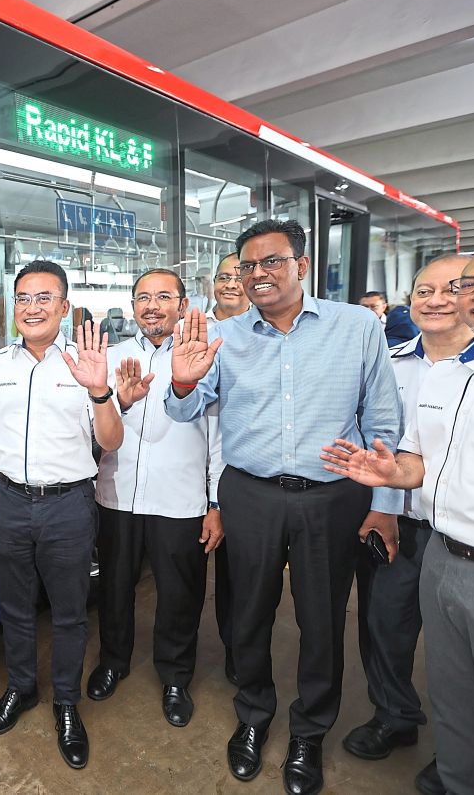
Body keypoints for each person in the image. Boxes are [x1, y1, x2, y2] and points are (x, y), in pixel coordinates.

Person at [166, 218, 401, 795]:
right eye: (248, 266)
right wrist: (182, 383)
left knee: (322, 620)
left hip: (332, 496)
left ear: (301, 265)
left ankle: (309, 732)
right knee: (248, 613)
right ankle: (253, 715)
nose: (258, 274)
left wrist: (386, 502)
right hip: (251, 493)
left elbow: (384, 418)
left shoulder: (355, 327)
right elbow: (185, 413)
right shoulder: (227, 334)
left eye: (271, 261)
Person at [324, 242, 474, 795]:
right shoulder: (452, 376)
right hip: (443, 558)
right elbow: (423, 463)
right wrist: (387, 473)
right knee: (458, 716)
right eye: (471, 283)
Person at [0, 259, 122, 769]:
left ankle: (66, 703)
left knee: (71, 612)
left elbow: (111, 440)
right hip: (8, 501)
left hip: (68, 506)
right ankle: (21, 689)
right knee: (14, 606)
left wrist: (100, 390)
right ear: (15, 308)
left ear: (64, 307)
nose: (32, 308)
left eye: (44, 298)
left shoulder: (86, 366)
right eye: (23, 299)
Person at [342, 255, 474, 791]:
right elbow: (376, 444)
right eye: (424, 291)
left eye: (452, 288)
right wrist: (384, 509)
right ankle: (394, 716)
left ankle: (466, 752)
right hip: (398, 523)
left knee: (462, 650)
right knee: (383, 628)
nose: (437, 300)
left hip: (467, 535)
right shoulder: (390, 365)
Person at [87, 268, 224, 730]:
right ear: (132, 307)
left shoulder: (202, 355)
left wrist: (215, 502)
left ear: (183, 305)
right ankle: (113, 661)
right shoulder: (113, 357)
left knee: (180, 595)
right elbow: (97, 428)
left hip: (180, 499)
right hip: (118, 494)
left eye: (164, 296)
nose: (152, 305)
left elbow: (219, 435)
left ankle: (175, 677)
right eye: (143, 297)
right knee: (115, 588)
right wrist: (119, 402)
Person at [204, 252, 248, 682]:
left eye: (241, 276)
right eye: (223, 277)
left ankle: (238, 652)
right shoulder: (190, 331)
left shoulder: (264, 333)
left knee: (238, 572)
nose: (232, 284)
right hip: (185, 467)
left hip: (236, 471)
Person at [206, 253, 250, 323]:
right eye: (223, 278)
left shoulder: (266, 330)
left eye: (240, 279)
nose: (230, 285)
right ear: (214, 282)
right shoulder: (187, 329)